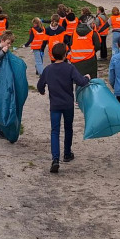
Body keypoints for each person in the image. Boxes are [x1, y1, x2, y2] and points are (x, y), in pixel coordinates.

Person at [37, 42, 90, 174]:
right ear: (65, 54)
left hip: (55, 105)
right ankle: (67, 153)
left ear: (53, 55)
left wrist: (43, 90)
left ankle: (55, 159)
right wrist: (87, 77)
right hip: (67, 104)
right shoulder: (70, 68)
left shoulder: (48, 69)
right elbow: (81, 82)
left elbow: (40, 85)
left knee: (55, 131)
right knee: (68, 128)